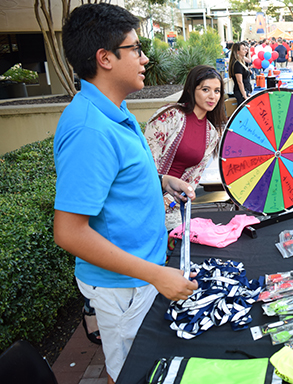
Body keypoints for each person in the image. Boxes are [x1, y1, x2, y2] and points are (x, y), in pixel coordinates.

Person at [53, 4, 198, 384]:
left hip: (139, 277)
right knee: (131, 373)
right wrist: (155, 275)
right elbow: (69, 231)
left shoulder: (113, 109)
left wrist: (162, 180)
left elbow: (119, 178)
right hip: (123, 287)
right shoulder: (90, 129)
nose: (145, 57)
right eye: (135, 48)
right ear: (105, 58)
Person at [144, 65, 226, 230]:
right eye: (205, 89)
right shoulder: (170, 115)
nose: (212, 96)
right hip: (143, 197)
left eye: (217, 91)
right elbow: (146, 160)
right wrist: (157, 202)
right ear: (190, 90)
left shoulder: (212, 133)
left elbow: (192, 180)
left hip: (173, 208)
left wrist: (168, 203)